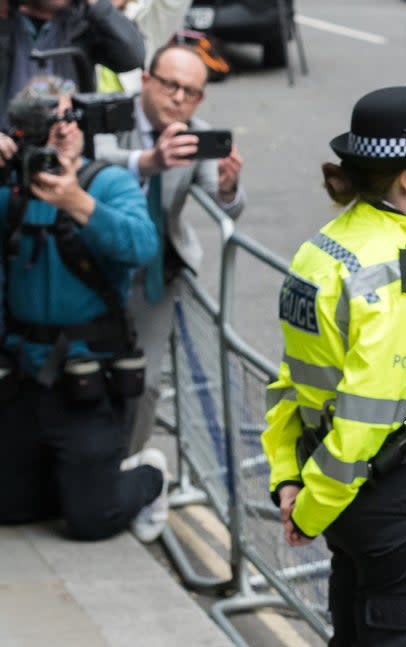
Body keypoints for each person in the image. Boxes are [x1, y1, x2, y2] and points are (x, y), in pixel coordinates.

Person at [261, 86, 406, 647]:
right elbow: (368, 413)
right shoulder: (394, 270)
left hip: (343, 487)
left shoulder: (324, 248)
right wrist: (311, 507)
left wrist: (290, 479)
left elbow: (293, 380)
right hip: (393, 493)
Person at [0, 75, 168, 542]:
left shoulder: (106, 181)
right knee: (11, 510)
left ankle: (148, 476)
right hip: (23, 375)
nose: (62, 130)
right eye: (47, 122)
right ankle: (71, 480)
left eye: (70, 118)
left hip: (86, 377)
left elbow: (142, 246)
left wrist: (79, 204)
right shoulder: (11, 186)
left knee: (91, 521)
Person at [95, 42, 245, 456]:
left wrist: (229, 186)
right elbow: (96, 155)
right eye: (170, 86)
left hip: (154, 275)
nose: (179, 99)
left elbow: (225, 201)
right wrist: (147, 161)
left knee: (144, 383)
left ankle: (128, 465)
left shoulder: (196, 132)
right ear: (145, 80)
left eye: (191, 92)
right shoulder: (112, 113)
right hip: (91, 268)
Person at [0, 0, 145, 129]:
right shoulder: (7, 20)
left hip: (67, 142)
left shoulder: (82, 23)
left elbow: (131, 57)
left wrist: (97, 4)